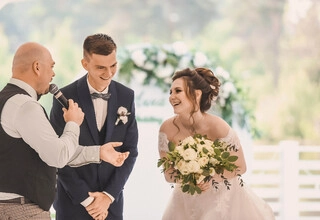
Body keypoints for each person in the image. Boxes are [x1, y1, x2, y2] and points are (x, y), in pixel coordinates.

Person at [0, 42, 130, 220]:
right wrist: (73, 123)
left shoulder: (7, 100)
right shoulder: (26, 106)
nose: (53, 74)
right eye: (51, 67)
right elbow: (58, 156)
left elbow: (54, 149)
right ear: (37, 67)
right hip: (21, 210)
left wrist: (99, 152)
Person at [158, 67, 275, 220]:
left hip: (223, 199)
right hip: (187, 199)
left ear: (196, 94)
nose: (172, 97)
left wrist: (210, 177)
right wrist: (191, 179)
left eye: (178, 91)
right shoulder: (167, 129)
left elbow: (240, 166)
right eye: (170, 92)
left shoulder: (218, 126)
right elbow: (168, 174)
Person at [50, 33, 139, 220]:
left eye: (113, 65)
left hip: (110, 205)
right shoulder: (64, 97)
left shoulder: (126, 96)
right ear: (85, 64)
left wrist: (108, 196)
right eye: (101, 68)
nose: (108, 74)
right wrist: (87, 200)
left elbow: (131, 151)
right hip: (72, 203)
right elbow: (57, 155)